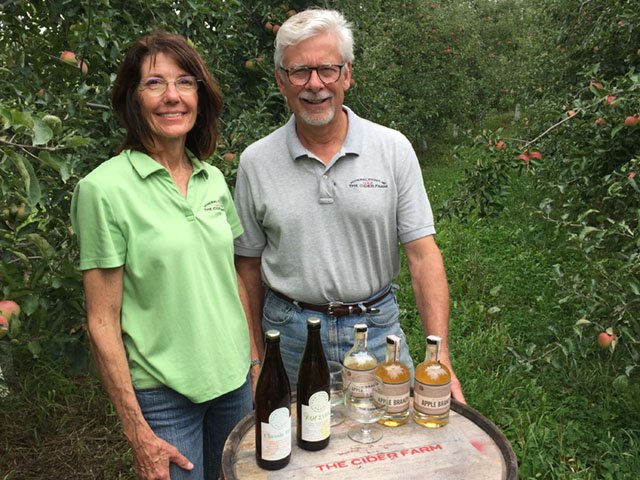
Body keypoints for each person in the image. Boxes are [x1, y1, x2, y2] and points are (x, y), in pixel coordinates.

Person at [233, 9, 465, 403]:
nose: (315, 84)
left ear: (347, 74)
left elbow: (423, 257)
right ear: (280, 81)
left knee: (395, 445)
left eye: (327, 69)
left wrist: (438, 358)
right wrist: (256, 363)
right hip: (289, 335)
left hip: (376, 331)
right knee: (294, 451)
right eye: (299, 71)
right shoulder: (255, 162)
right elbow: (247, 268)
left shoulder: (392, 149)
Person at [70, 32, 260, 480]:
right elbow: (101, 321)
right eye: (155, 83)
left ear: (200, 95)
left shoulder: (213, 179)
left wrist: (254, 363)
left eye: (185, 83)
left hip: (233, 384)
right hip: (163, 395)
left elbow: (231, 276)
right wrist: (137, 431)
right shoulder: (103, 190)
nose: (172, 97)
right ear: (132, 99)